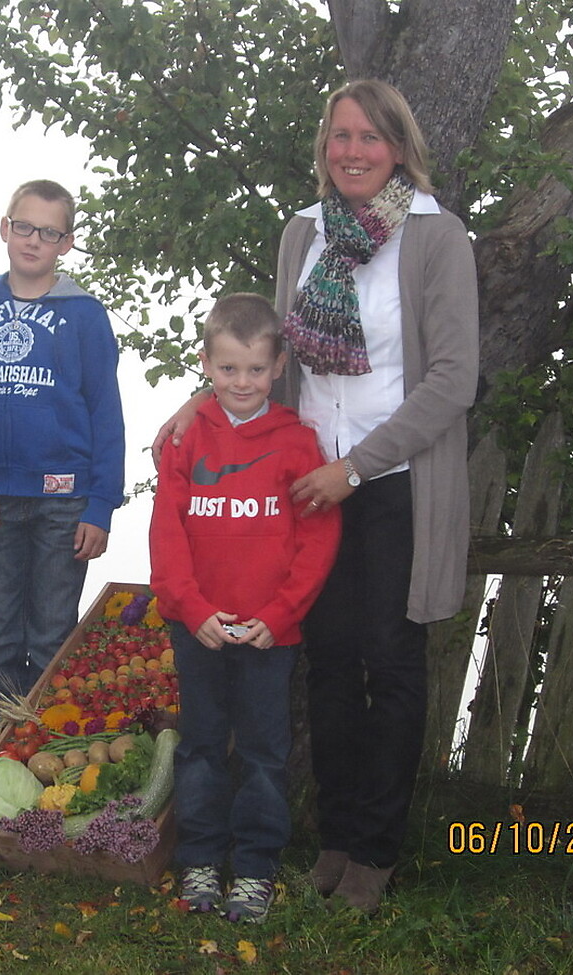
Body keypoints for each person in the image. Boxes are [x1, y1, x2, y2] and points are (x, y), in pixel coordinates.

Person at [155, 80, 479, 914]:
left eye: (370, 137)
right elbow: (274, 352)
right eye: (340, 135)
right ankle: (333, 839)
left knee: (391, 663)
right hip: (305, 488)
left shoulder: (437, 236)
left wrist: (357, 467)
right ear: (324, 147)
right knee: (328, 663)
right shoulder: (305, 231)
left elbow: (453, 379)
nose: (353, 151)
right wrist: (199, 399)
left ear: (398, 148)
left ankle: (375, 851)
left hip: (395, 483)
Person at [149, 293, 340, 923]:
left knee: (262, 753)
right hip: (198, 627)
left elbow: (318, 540)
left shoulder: (298, 443)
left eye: (256, 369)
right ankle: (200, 859)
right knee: (201, 746)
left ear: (278, 367)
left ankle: (255, 868)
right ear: (206, 364)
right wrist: (190, 608)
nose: (241, 382)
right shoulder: (185, 438)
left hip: (267, 633)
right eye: (228, 368)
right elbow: (167, 533)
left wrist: (280, 616)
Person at [0, 179, 125, 754]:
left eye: (49, 232)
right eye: (24, 227)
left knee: (51, 635)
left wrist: (101, 504)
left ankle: (43, 760)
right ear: (5, 228)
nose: (33, 240)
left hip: (64, 502)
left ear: (66, 243)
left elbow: (106, 412)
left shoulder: (85, 316)